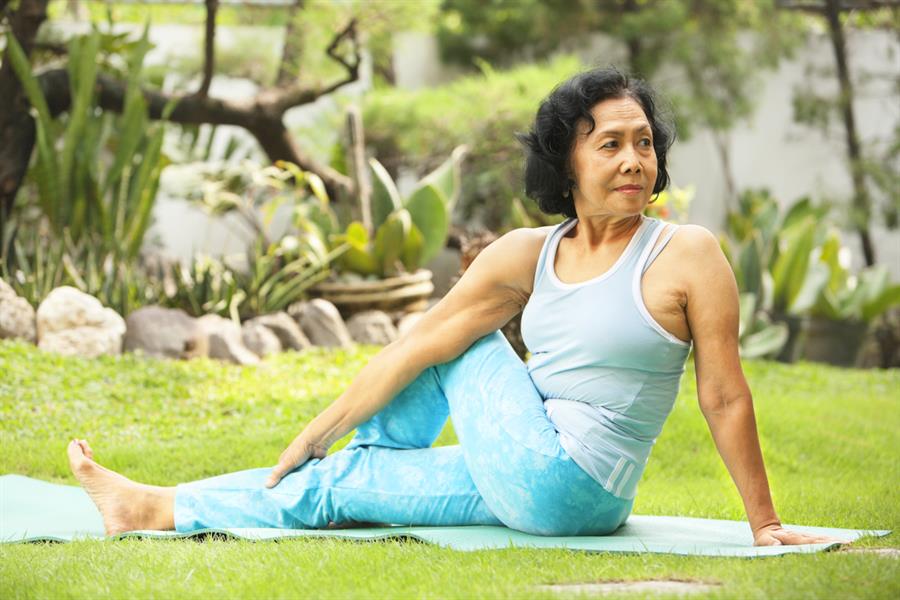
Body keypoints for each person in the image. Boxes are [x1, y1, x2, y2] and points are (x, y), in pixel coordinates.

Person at [68, 67, 837, 546]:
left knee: (456, 340)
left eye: (643, 143)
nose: (635, 160)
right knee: (345, 485)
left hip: (573, 482)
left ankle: (366, 453)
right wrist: (319, 436)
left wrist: (763, 524)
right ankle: (153, 509)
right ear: (565, 161)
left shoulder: (687, 254)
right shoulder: (527, 254)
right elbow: (411, 349)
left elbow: (725, 392)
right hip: (542, 483)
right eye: (610, 145)